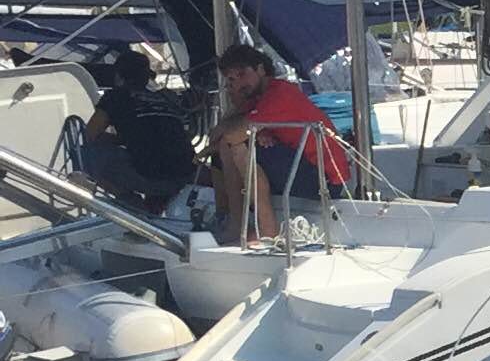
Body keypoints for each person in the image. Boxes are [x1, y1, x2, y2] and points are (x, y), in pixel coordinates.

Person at [207, 43, 350, 241]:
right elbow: (218, 133)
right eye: (231, 80)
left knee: (234, 146)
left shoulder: (279, 94)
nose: (238, 84)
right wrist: (253, 127)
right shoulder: (259, 97)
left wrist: (247, 132)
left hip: (324, 180)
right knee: (222, 151)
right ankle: (228, 216)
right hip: (304, 168)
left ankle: (264, 228)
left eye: (242, 74)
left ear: (261, 70)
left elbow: (231, 135)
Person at [75, 46, 199, 216]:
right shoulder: (165, 97)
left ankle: (130, 202)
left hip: (153, 178)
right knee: (153, 156)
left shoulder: (116, 97)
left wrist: (122, 139)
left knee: (86, 154)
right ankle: (156, 204)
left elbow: (90, 135)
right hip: (187, 174)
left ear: (118, 76)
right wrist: (130, 138)